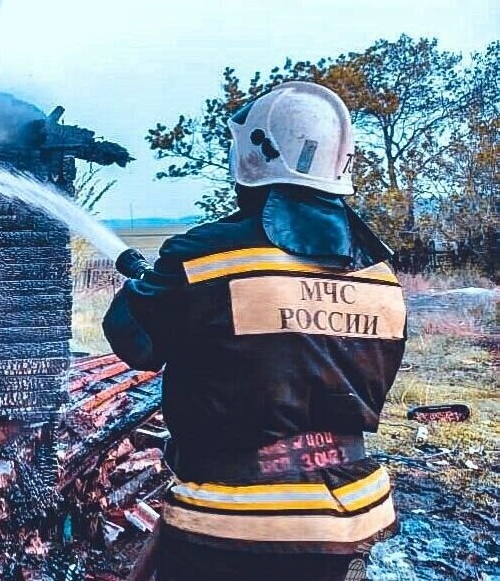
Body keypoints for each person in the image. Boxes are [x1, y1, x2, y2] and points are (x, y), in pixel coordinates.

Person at [105, 81, 405, 581]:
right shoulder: (381, 276)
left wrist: (148, 288)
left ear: (253, 154)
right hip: (350, 521)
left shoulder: (204, 257)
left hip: (230, 525)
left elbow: (134, 341)